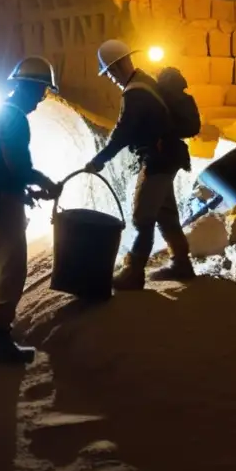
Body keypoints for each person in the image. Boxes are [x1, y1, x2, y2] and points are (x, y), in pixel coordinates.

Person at [0, 56, 62, 363]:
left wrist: (27, 188)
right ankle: (0, 339)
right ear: (28, 88)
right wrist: (43, 182)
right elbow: (16, 164)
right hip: (3, 203)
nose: (43, 98)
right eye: (41, 90)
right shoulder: (14, 117)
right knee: (13, 268)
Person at [84, 39, 194, 290]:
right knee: (164, 213)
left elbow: (123, 132)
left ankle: (134, 272)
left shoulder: (135, 92)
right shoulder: (144, 81)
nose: (111, 77)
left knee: (142, 215)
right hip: (167, 156)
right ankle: (181, 262)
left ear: (123, 64)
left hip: (159, 159)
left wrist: (99, 161)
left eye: (112, 70)